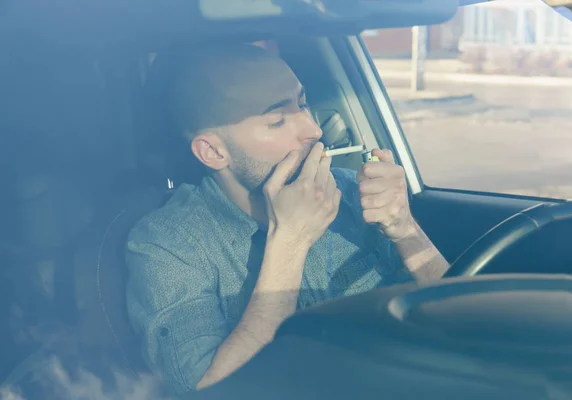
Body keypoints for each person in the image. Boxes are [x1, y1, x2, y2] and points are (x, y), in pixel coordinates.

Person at [125, 43, 450, 395]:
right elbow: (207, 390)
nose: (314, 130)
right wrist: (290, 243)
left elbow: (465, 322)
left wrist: (406, 229)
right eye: (277, 120)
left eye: (303, 103)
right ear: (214, 151)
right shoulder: (167, 243)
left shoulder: (351, 192)